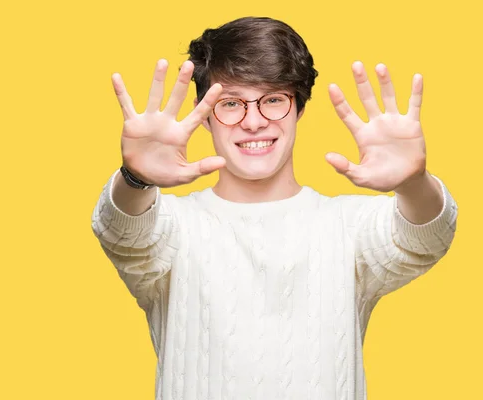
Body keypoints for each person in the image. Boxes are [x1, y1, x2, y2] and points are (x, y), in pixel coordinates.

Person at [91, 16, 458, 400]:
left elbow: (425, 238)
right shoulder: (174, 226)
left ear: (299, 106)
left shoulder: (348, 226)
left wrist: (413, 181)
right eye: (231, 103)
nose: (253, 122)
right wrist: (135, 177)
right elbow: (122, 232)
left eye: (272, 100)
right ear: (203, 114)